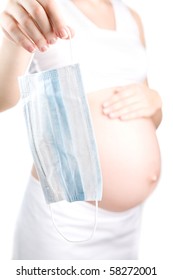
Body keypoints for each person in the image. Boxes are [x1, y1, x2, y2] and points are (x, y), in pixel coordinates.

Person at [0, 0, 162, 260]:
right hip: (64, 219)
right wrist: (12, 37)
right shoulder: (44, 6)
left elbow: (151, 117)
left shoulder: (132, 18)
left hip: (128, 225)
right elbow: (2, 99)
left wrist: (156, 100)